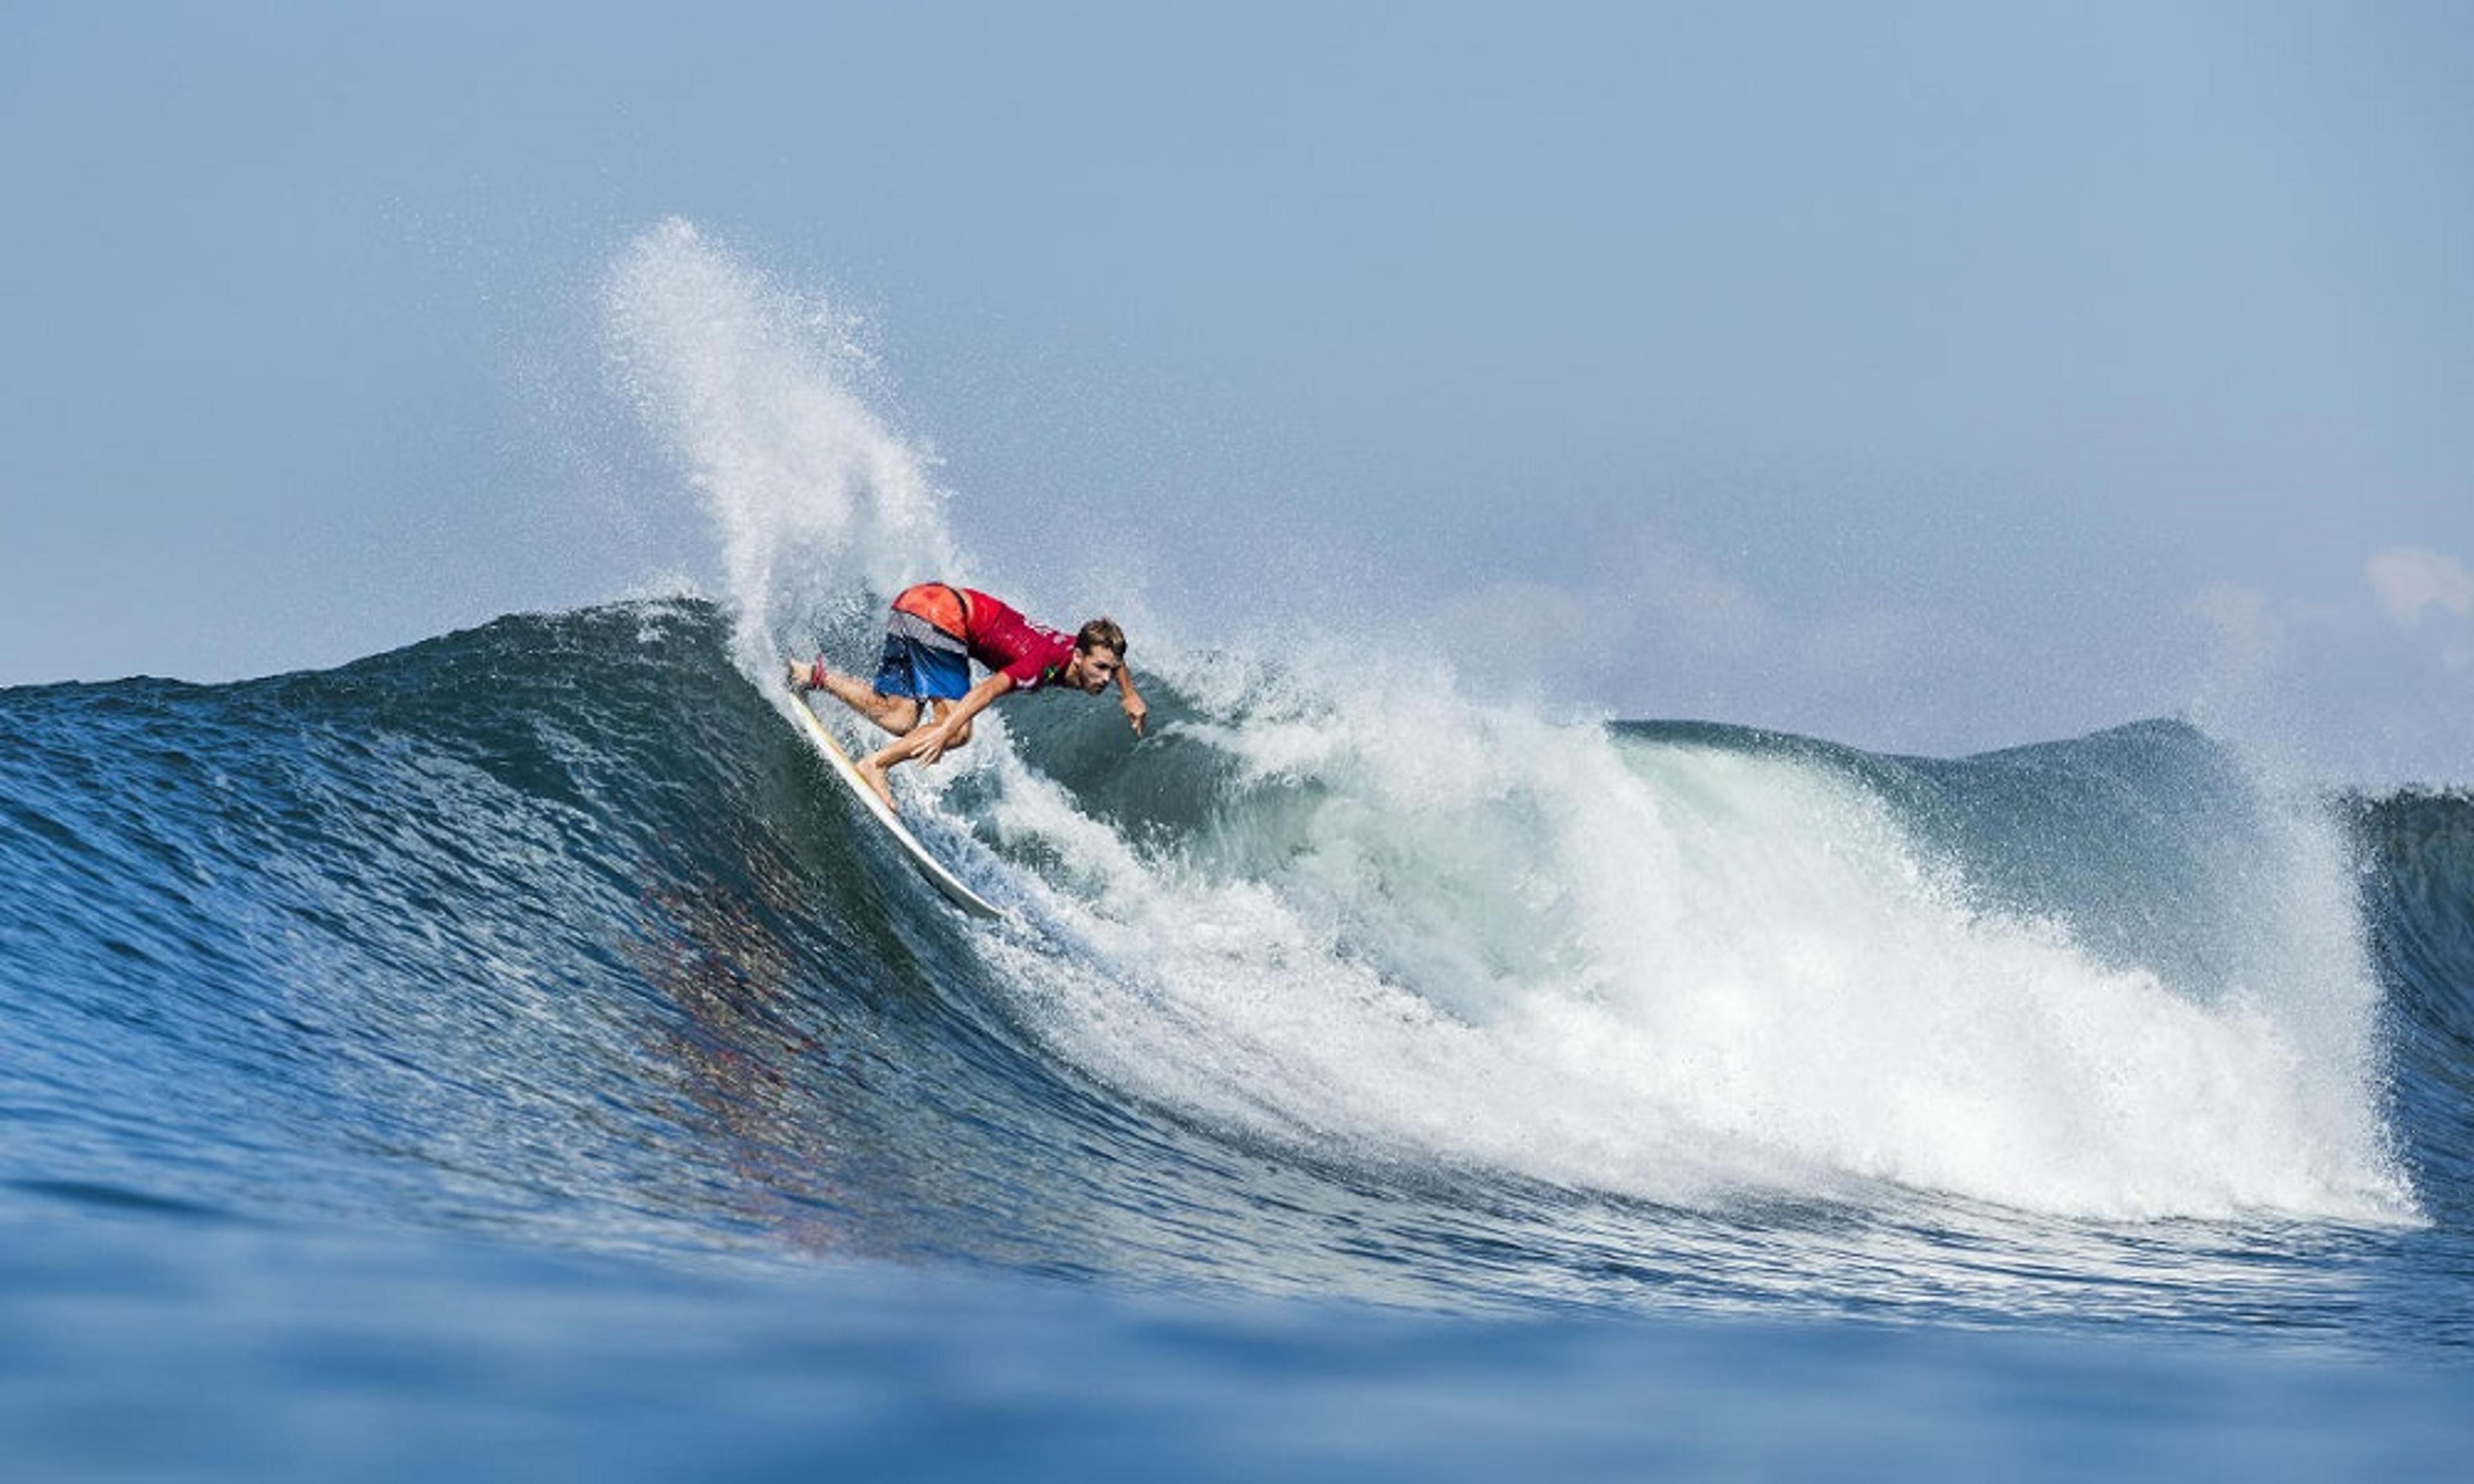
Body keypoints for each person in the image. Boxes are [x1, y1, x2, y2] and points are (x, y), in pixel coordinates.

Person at [788, 582, 1146, 813]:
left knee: (899, 717)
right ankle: (875, 765)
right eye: (1100, 669)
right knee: (958, 730)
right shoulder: (1044, 663)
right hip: (942, 616)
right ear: (1079, 657)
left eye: (1111, 672)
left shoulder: (1082, 648)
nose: (1105, 678)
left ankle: (814, 676)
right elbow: (988, 689)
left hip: (915, 602)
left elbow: (1115, 657)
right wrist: (945, 732)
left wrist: (1129, 695)